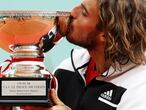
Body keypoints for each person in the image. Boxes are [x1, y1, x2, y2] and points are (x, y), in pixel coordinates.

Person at [2, 0, 145, 109]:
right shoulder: (71, 64)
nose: (72, 12)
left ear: (105, 34)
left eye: (84, 13)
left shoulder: (138, 89)